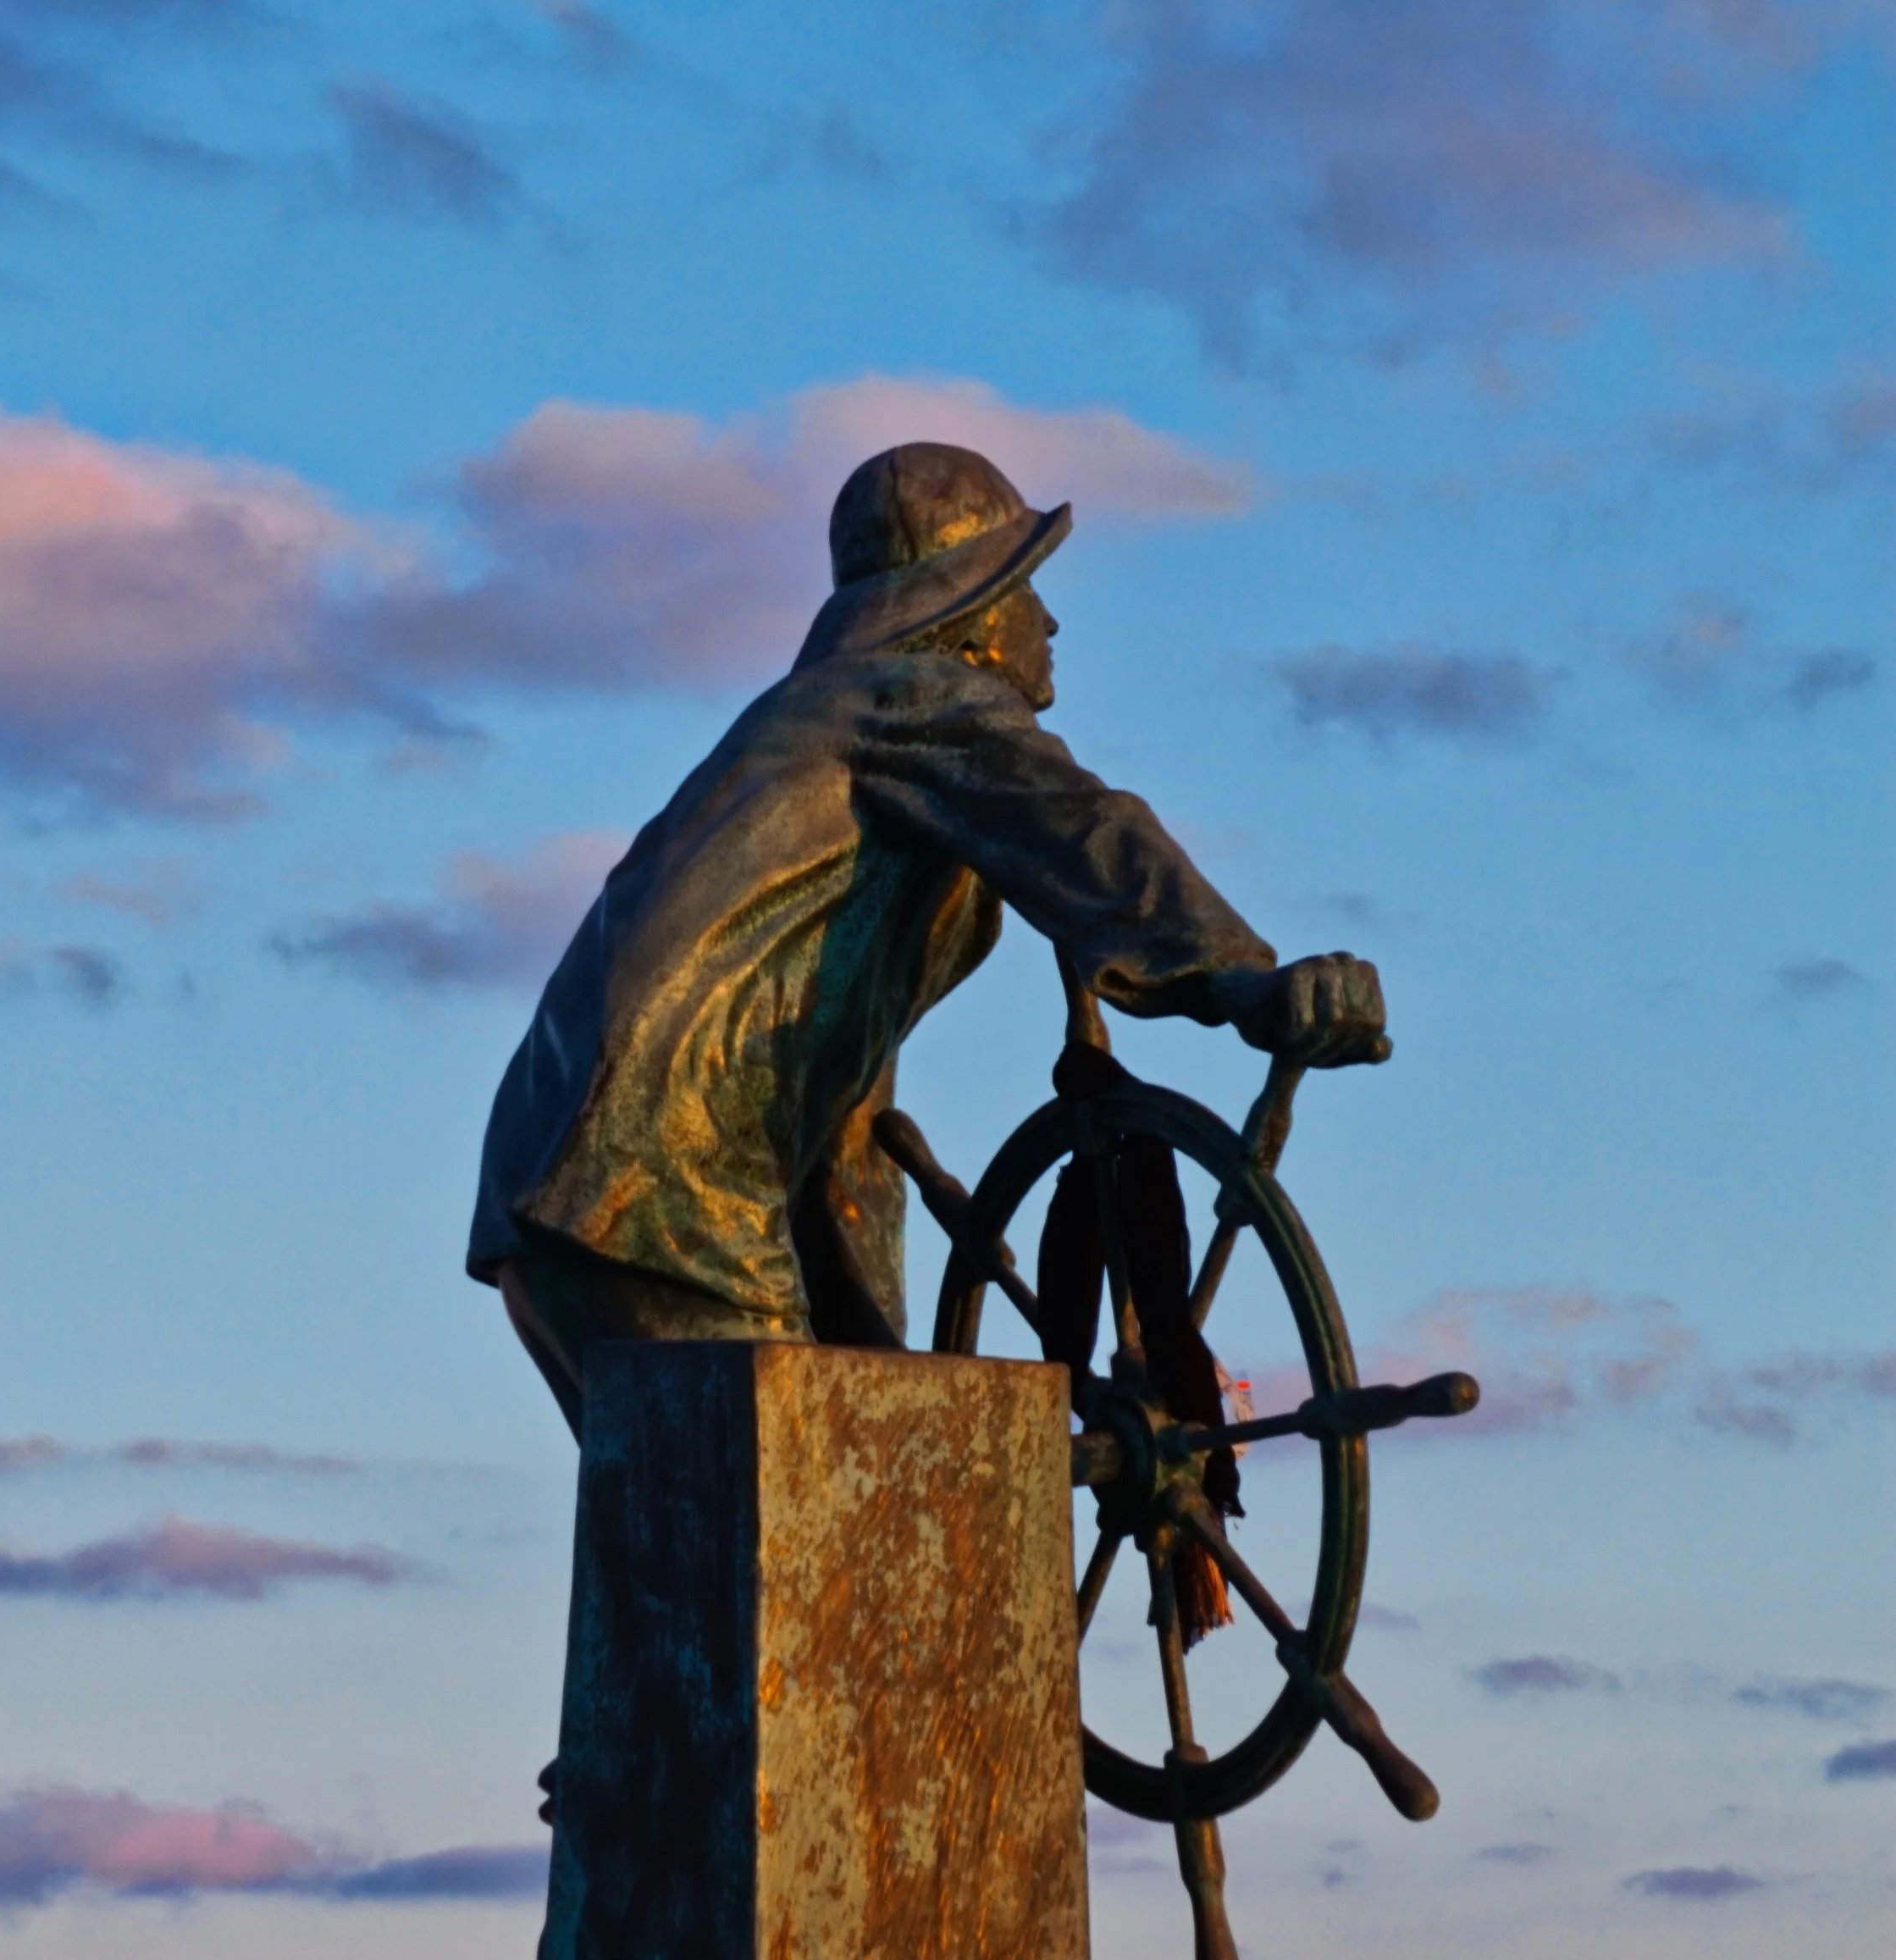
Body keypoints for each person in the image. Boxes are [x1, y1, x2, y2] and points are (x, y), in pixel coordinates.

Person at [467, 440, 1386, 1437]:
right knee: (786, 1532)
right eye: (1026, 586)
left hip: (572, 1205)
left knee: (706, 1551)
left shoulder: (826, 743)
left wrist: (886, 1379)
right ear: (972, 612)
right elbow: (1081, 827)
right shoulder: (912, 695)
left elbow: (836, 1122)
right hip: (653, 1195)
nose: (1050, 619)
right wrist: (1245, 983)